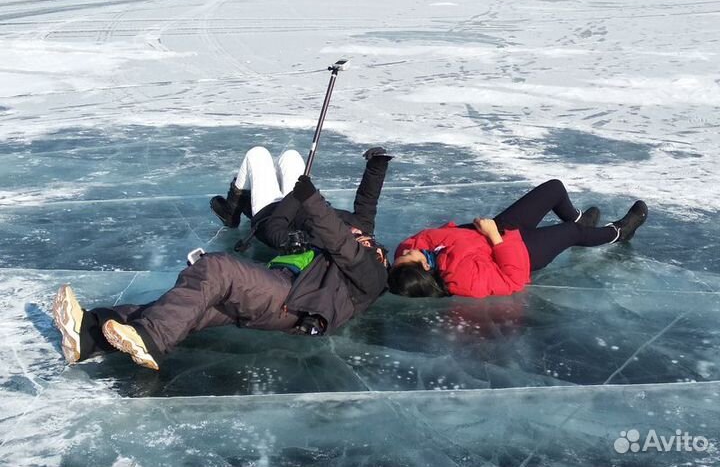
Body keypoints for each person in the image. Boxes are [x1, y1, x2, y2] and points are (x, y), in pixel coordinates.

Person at [52, 172, 390, 371]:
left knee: (217, 268)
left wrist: (312, 199)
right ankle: (89, 335)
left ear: (377, 253)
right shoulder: (348, 251)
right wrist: (376, 165)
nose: (355, 234)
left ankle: (153, 341)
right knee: (187, 308)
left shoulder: (371, 275)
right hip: (279, 288)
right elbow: (365, 206)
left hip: (293, 302)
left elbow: (340, 238)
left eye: (361, 237)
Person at [388, 179, 648, 298]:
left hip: (501, 229)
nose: (405, 250)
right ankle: (619, 232)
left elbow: (418, 240)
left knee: (553, 189)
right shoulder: (462, 280)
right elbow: (512, 280)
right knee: (571, 234)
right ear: (423, 267)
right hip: (524, 253)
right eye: (407, 256)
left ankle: (580, 219)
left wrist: (493, 231)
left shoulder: (422, 252)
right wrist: (495, 239)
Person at [211, 146, 392, 256]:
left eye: (357, 239)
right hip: (301, 198)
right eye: (367, 239)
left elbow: (275, 230)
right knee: (290, 156)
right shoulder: (363, 227)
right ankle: (242, 202)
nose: (357, 230)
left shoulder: (319, 244)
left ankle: (231, 211)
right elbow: (368, 199)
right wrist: (378, 163)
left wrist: (300, 196)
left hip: (270, 212)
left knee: (257, 155)